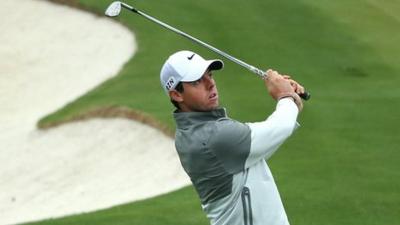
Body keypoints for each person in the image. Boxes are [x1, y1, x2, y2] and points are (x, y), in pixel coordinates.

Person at [160, 50, 304, 225]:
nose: (210, 83)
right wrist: (285, 96)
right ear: (176, 94)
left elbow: (263, 145)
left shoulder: (191, 132)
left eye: (210, 75)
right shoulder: (213, 136)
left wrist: (290, 102)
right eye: (197, 81)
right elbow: (277, 129)